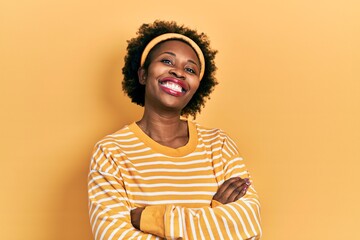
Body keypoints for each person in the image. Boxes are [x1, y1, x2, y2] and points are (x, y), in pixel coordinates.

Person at [88, 20, 262, 239]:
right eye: (166, 60)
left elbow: (249, 226)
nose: (178, 72)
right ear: (143, 74)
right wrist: (215, 217)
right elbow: (112, 236)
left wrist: (152, 218)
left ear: (197, 86)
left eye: (190, 69)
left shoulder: (219, 145)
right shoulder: (111, 152)